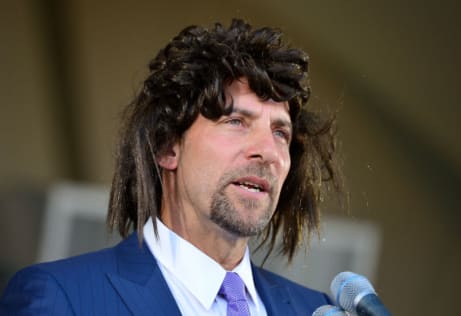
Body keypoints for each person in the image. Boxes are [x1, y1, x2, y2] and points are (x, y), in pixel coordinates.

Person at [0, 19, 341, 315]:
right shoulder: (62, 298)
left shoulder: (315, 310)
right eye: (236, 121)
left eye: (280, 132)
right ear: (166, 147)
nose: (268, 151)